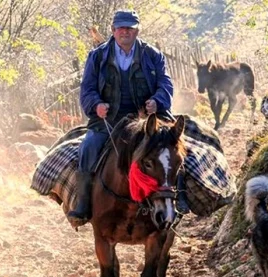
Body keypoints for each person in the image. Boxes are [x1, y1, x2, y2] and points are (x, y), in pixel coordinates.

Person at [68, 9, 190, 227]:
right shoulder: (97, 57)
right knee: (88, 147)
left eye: (130, 28)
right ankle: (84, 204)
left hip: (147, 119)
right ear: (113, 30)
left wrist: (157, 100)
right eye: (121, 28)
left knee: (175, 150)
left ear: (137, 31)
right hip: (110, 119)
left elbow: (166, 84)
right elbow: (86, 89)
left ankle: (180, 197)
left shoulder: (153, 55)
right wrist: (96, 105)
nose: (125, 31)